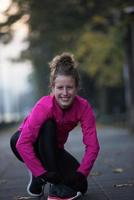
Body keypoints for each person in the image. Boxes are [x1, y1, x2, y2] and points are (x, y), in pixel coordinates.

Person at [10, 52, 100, 200]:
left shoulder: (83, 107)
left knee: (81, 186)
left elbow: (93, 146)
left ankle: (48, 178)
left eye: (69, 87)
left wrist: (81, 173)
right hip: (24, 142)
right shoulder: (44, 105)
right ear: (52, 88)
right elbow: (22, 143)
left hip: (54, 150)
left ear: (77, 88)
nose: (65, 93)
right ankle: (48, 182)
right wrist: (42, 173)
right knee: (48, 125)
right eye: (60, 88)